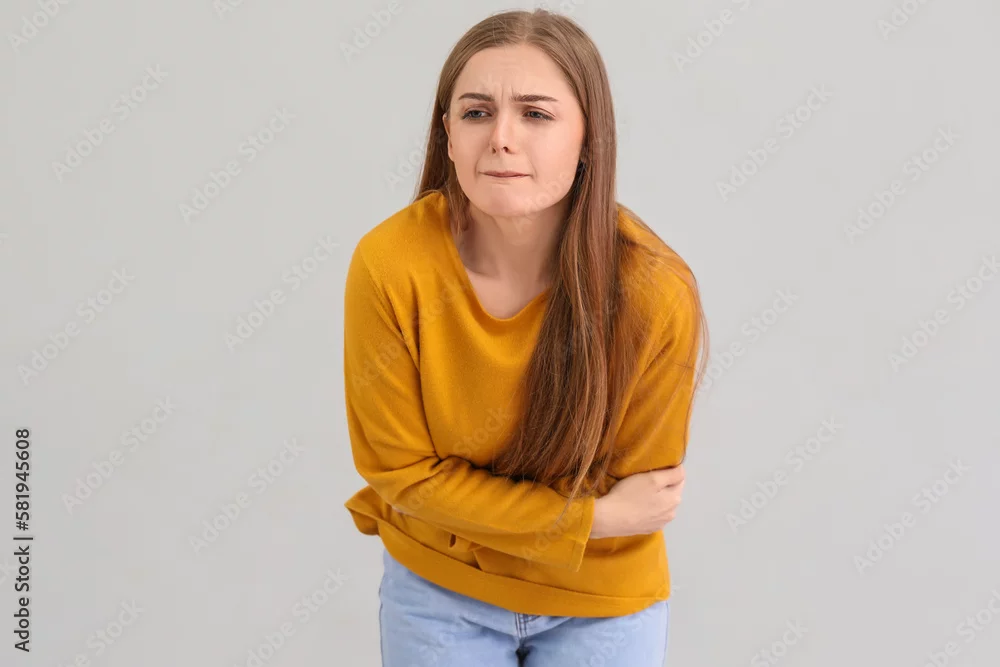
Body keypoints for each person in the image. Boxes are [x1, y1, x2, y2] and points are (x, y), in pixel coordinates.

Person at [343, 9, 709, 666]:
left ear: (589, 138)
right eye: (476, 113)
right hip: (438, 587)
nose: (501, 139)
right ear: (447, 134)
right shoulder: (391, 264)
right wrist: (589, 518)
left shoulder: (656, 290)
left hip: (600, 596)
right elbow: (403, 474)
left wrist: (465, 509)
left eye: (536, 114)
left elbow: (644, 495)